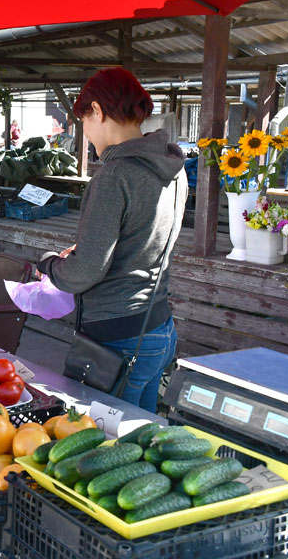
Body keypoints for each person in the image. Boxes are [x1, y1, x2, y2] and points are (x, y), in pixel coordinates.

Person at [37, 68, 188, 413]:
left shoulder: (114, 176)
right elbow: (140, 241)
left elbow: (86, 271)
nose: (86, 133)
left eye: (84, 121)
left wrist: (49, 264)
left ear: (98, 111)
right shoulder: (172, 168)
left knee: (102, 445)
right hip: (159, 329)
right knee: (141, 442)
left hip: (117, 341)